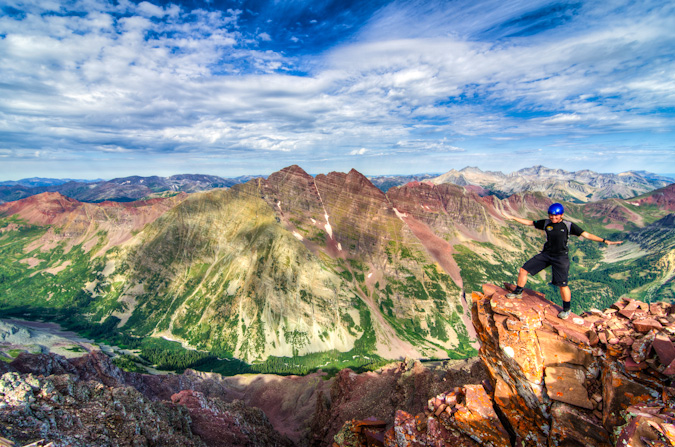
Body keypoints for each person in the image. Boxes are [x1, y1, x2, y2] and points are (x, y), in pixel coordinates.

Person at [502, 203, 623, 319]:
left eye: (556, 215)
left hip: (561, 257)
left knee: (562, 285)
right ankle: (518, 292)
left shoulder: (568, 225)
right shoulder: (546, 223)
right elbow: (530, 222)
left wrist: (604, 241)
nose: (553, 217)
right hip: (547, 254)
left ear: (561, 215)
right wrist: (512, 217)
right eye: (551, 215)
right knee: (523, 270)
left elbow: (586, 235)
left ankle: (566, 309)